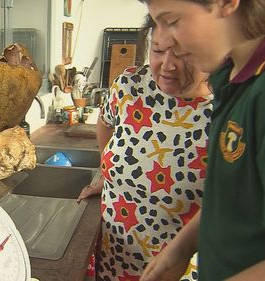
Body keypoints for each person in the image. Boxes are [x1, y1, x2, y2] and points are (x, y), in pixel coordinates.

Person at [136, 1, 265, 281]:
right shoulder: (231, 75)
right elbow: (235, 197)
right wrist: (182, 247)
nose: (163, 39)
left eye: (172, 21)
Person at [77, 15, 213, 280]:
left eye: (183, 54)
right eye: (158, 50)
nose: (167, 66)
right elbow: (106, 122)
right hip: (114, 259)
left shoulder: (230, 111)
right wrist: (110, 175)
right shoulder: (130, 85)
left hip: (179, 270)